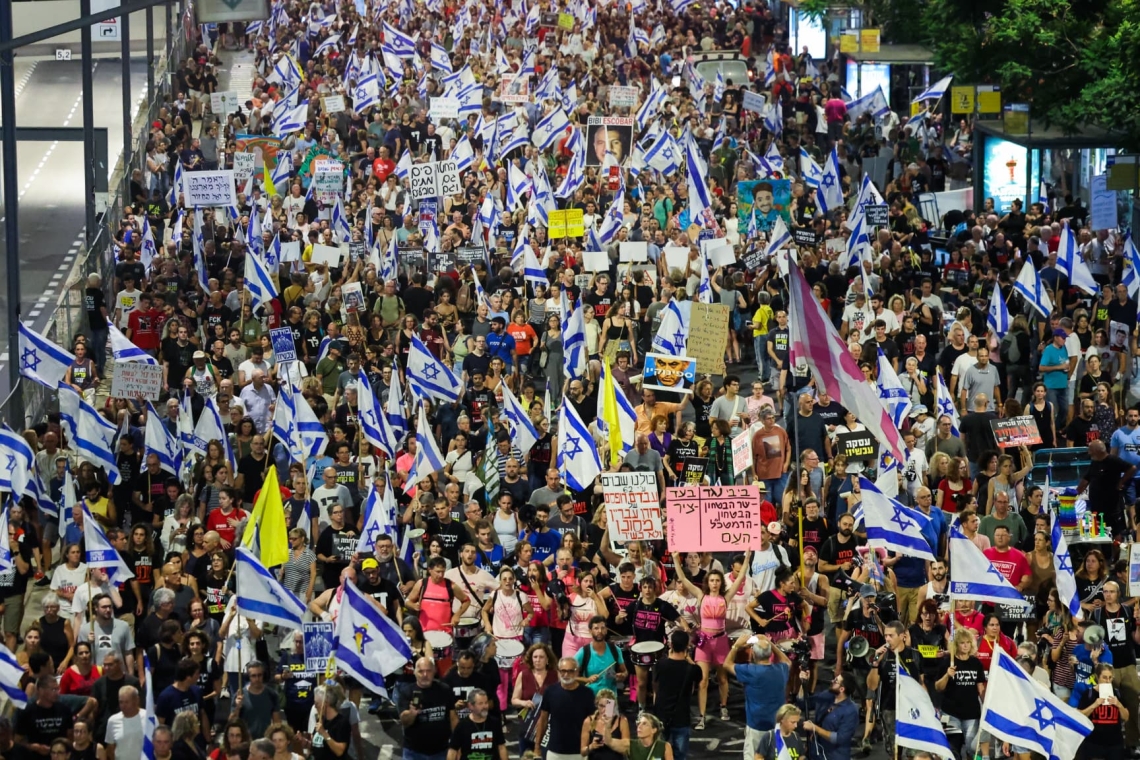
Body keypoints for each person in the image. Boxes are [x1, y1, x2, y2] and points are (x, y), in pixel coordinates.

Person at [724, 634, 791, 760]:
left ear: (753, 654)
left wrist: (736, 646)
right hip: (777, 725)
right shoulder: (781, 670)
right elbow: (787, 661)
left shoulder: (750, 671)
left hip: (756, 725)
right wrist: (770, 644)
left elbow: (727, 664)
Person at [653, 630, 702, 760]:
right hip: (681, 717)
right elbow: (696, 684)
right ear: (687, 646)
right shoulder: (693, 669)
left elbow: (656, 687)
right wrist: (688, 658)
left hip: (661, 715)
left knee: (658, 753)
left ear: (671, 645)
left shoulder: (661, 665)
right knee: (680, 755)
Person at [534, 658, 597, 760]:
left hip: (579, 752)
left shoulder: (587, 693)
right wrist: (537, 747)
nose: (566, 675)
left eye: (570, 671)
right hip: (555, 752)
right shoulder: (550, 691)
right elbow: (543, 720)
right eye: (563, 671)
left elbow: (593, 722)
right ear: (558, 671)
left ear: (577, 671)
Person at [398, 657, 456, 760]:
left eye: (428, 671)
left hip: (441, 751)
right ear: (414, 672)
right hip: (414, 752)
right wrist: (412, 713)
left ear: (434, 671)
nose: (425, 675)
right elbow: (404, 722)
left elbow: (453, 718)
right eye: (421, 671)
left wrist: (456, 745)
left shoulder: (444, 690)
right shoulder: (406, 692)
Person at [803, 672, 859, 760]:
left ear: (842, 689)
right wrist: (802, 683)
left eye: (835, 681)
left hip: (834, 756)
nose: (832, 681)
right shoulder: (826, 696)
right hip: (815, 754)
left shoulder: (851, 710)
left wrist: (815, 728)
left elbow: (839, 738)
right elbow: (804, 702)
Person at [447, 689, 507, 760]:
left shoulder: (495, 723)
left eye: (486, 703)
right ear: (470, 706)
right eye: (480, 703)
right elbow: (452, 751)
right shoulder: (462, 726)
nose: (485, 706)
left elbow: (501, 747)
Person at [104, 685, 146, 760]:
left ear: (137, 700)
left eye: (127, 702)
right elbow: (110, 749)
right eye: (121, 702)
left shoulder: (148, 717)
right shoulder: (112, 720)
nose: (123, 705)